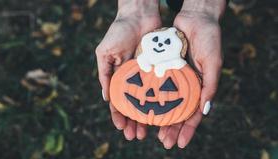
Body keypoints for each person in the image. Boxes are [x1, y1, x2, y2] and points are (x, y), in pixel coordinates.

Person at [95, 0, 226, 149]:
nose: (150, 94)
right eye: (136, 81)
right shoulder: (136, 65)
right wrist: (136, 7)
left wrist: (204, 7)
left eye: (167, 87)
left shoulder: (180, 70)